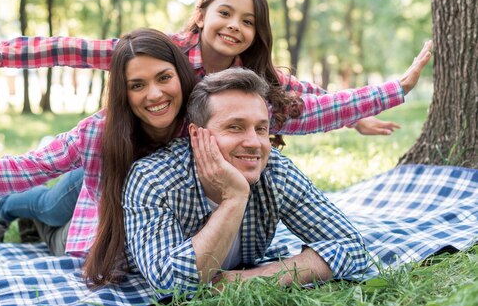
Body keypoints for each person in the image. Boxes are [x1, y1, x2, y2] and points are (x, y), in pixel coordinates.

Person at [0, 28, 431, 286]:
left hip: (159, 217)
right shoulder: (102, 132)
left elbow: (294, 109)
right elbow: (73, 54)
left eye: (165, 80)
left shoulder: (213, 115)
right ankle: (10, 210)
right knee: (42, 194)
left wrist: (384, 95)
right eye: (138, 86)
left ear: (185, 79)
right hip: (96, 206)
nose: (154, 94)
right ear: (123, 91)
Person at [0, 0, 416, 252]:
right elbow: (79, 48)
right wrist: (1, 54)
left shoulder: (256, 79)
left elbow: (306, 98)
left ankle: (33, 218)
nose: (234, 26)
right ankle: (7, 207)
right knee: (58, 200)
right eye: (225, 12)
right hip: (127, 155)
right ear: (203, 12)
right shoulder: (168, 55)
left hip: (166, 179)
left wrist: (353, 115)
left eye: (248, 21)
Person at [124, 67, 367, 292]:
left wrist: (250, 279)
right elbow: (170, 284)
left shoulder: (274, 170)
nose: (254, 143)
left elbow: (351, 246)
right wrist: (234, 198)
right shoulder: (153, 178)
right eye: (235, 127)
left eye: (261, 129)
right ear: (197, 135)